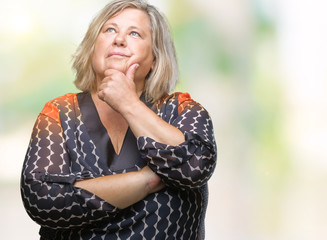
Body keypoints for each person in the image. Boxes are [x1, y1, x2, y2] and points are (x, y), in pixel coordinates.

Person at [20, 0, 217, 239]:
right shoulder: (58, 113)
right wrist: (147, 180)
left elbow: (195, 165)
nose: (119, 39)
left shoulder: (183, 110)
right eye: (110, 30)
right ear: (94, 46)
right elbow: (42, 199)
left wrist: (128, 103)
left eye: (134, 33)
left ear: (155, 57)